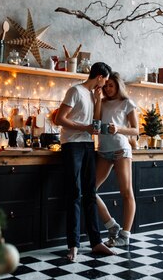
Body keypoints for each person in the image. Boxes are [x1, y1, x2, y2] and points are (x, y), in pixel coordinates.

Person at [55, 61, 116, 262]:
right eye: (105, 80)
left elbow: (95, 122)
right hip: (72, 145)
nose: (105, 85)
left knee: (90, 194)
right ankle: (73, 245)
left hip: (89, 145)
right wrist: (85, 128)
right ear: (99, 76)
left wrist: (98, 101)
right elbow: (59, 119)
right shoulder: (75, 91)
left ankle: (96, 242)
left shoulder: (92, 95)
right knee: (74, 193)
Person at [94, 72, 138, 247]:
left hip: (121, 150)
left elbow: (136, 130)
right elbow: (96, 122)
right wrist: (97, 100)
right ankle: (112, 225)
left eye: (111, 85)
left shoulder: (127, 103)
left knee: (126, 192)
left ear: (118, 85)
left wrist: (118, 129)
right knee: (89, 191)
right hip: (103, 151)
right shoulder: (102, 102)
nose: (108, 88)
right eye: (105, 85)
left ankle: (125, 235)